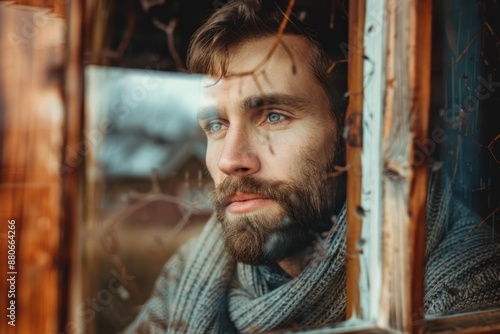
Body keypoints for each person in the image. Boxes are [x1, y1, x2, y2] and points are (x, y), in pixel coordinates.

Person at [125, 1, 500, 332]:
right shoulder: (191, 273)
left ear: (354, 135)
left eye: (273, 116)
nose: (230, 159)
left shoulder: (465, 289)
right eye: (217, 125)